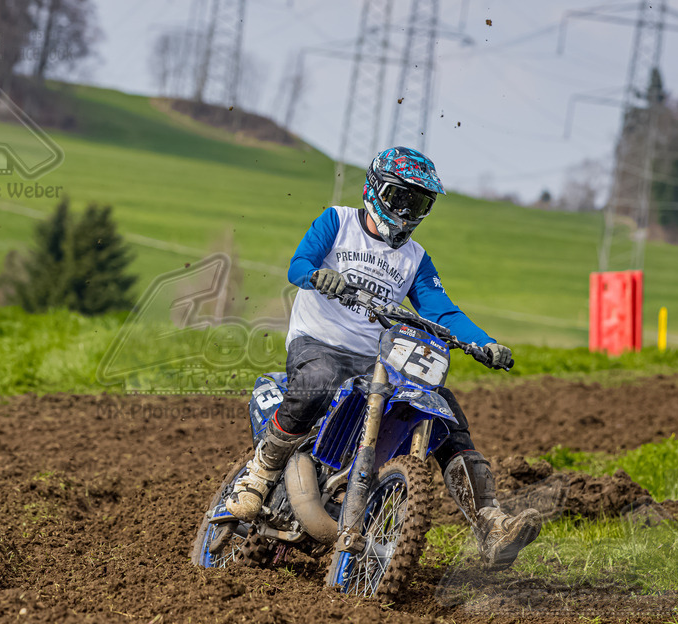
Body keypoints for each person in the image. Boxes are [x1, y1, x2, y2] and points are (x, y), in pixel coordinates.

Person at [225, 146, 541, 571]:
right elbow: (299, 263)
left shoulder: (415, 258)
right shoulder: (337, 221)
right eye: (400, 198)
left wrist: (484, 343)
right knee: (317, 377)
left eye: (419, 202)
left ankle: (490, 522)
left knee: (444, 412)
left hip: (378, 357)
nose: (408, 211)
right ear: (375, 190)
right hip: (319, 342)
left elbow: (442, 310)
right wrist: (319, 274)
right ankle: (259, 475)